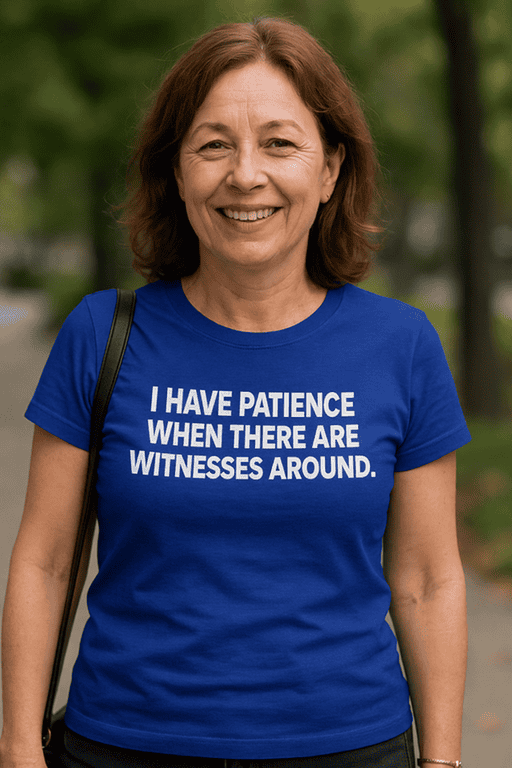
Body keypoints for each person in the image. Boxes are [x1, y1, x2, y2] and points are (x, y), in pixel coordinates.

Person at [0, 16, 470, 768]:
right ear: (177, 172)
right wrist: (19, 748)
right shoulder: (102, 335)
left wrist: (442, 761)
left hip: (349, 748)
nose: (244, 174)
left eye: (280, 143)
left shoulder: (402, 345)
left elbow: (427, 579)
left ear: (330, 170)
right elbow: (45, 559)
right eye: (213, 144)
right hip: (122, 744)